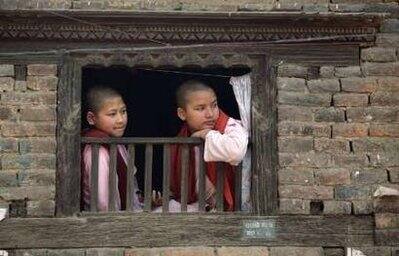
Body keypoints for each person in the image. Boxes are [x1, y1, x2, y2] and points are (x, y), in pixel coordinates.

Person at [169, 80, 248, 211]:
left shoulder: (231, 126)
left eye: (214, 105)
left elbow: (236, 151)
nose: (210, 114)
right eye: (200, 108)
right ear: (182, 114)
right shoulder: (180, 140)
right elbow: (175, 186)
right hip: (197, 206)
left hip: (229, 209)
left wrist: (207, 134)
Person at [81, 86, 142, 212]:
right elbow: (103, 203)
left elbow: (132, 187)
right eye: (112, 114)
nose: (121, 120)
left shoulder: (117, 144)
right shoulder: (97, 151)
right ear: (91, 118)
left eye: (123, 111)